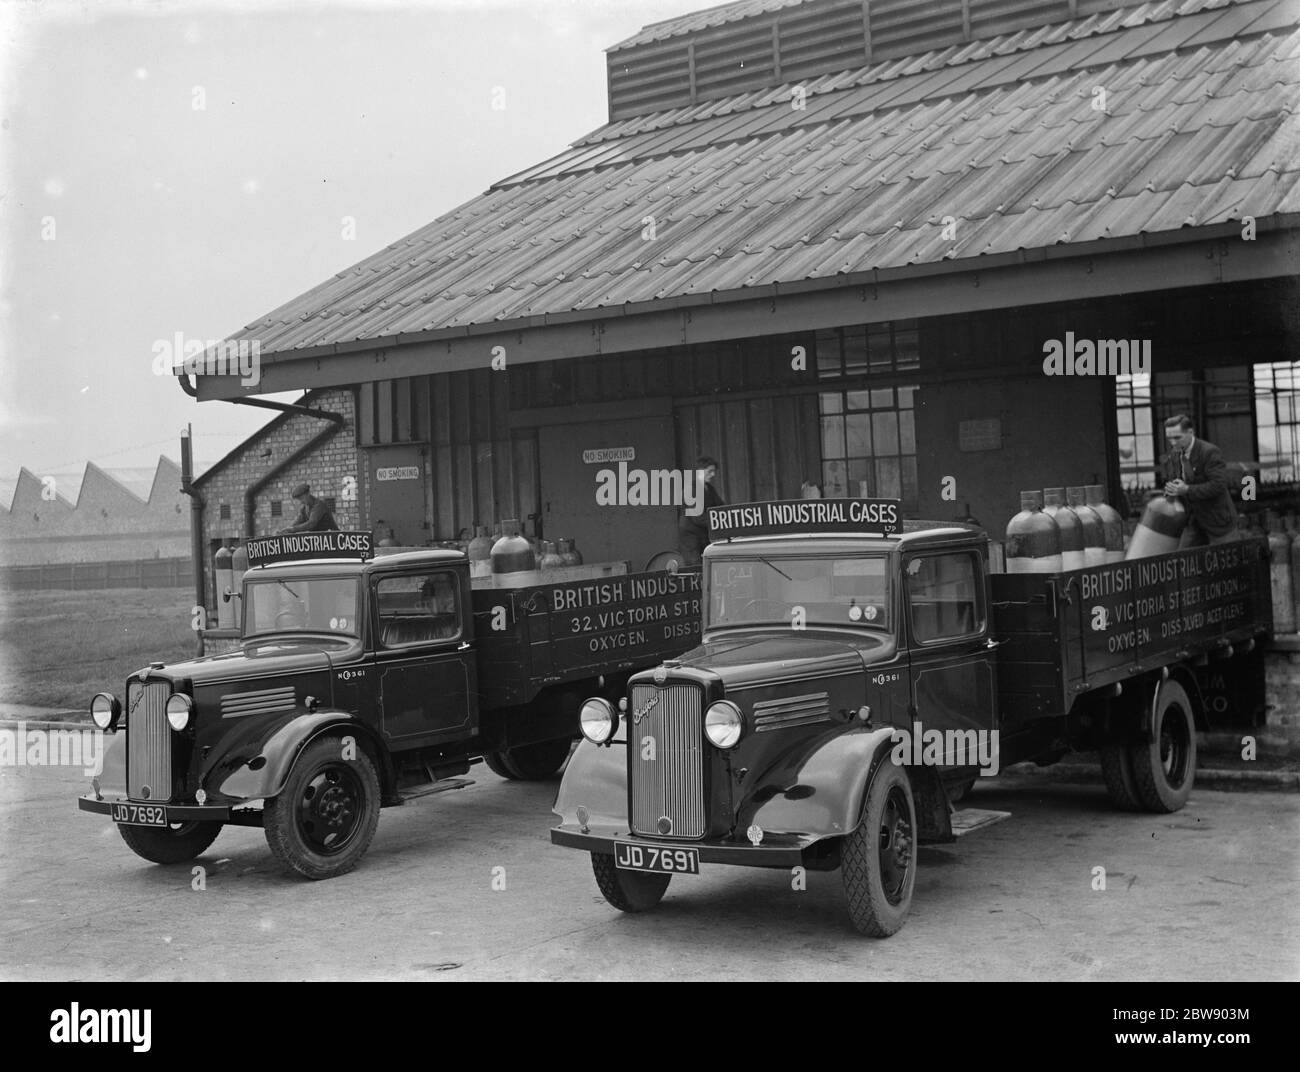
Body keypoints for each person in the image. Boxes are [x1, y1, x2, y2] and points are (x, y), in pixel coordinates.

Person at [1162, 414, 1238, 546]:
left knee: (1226, 564)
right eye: (1169, 439)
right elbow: (1174, 480)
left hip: (1218, 522)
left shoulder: (1209, 452)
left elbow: (1218, 485)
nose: (1173, 443)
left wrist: (1186, 489)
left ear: (1190, 432)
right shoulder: (1174, 455)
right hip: (1193, 522)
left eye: (1177, 437)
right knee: (1184, 562)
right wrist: (1171, 490)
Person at [678, 456, 724, 567]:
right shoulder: (691, 489)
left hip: (704, 536)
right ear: (700, 471)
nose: (713, 475)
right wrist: (719, 523)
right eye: (710, 471)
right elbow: (698, 517)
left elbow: (721, 507)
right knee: (696, 568)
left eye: (714, 471)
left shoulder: (709, 488)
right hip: (692, 539)